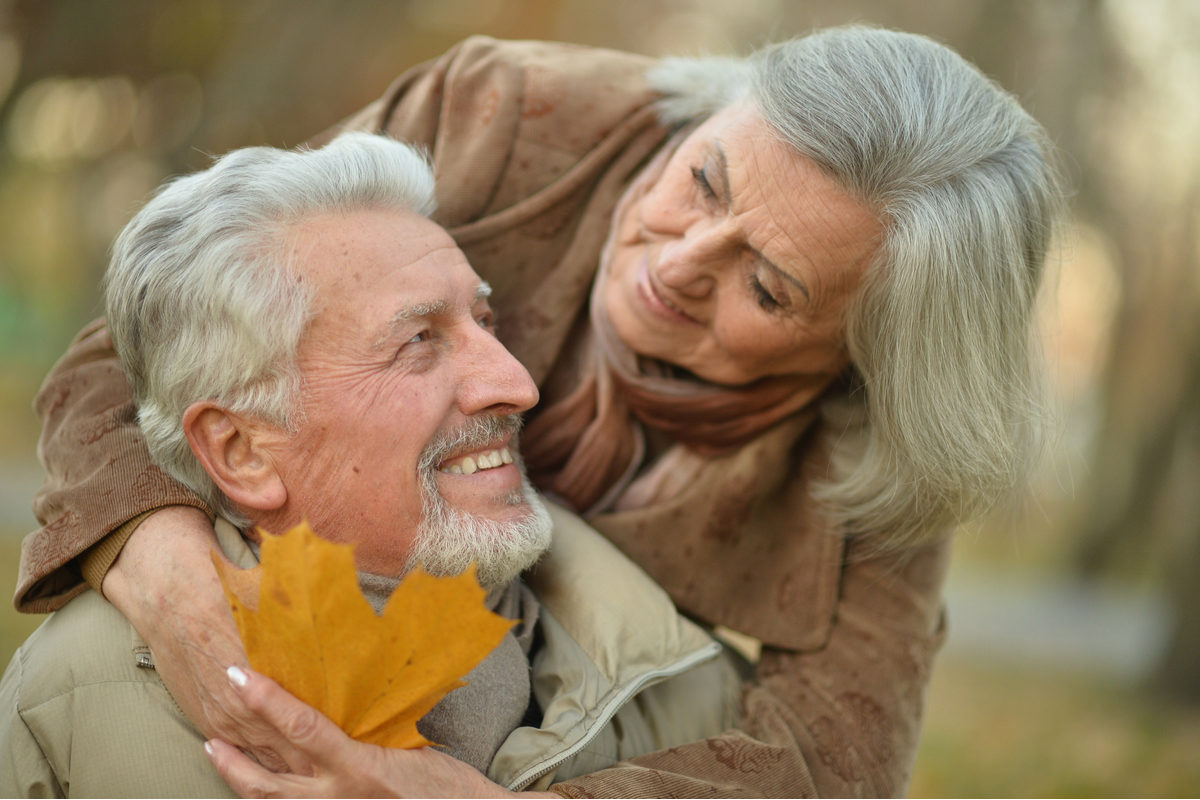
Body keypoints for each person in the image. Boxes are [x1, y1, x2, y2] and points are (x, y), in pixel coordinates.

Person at [15, 25, 1062, 797]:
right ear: (709, 116)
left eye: (770, 286)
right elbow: (152, 332)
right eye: (703, 179)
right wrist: (160, 570)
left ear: (861, 359)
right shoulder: (506, 117)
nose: (678, 259)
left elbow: (834, 762)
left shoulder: (889, 443)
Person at [0, 133, 738, 797]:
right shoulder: (67, 702)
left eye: (484, 321)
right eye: (418, 339)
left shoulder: (679, 683)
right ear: (243, 451)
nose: (516, 382)